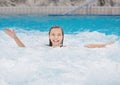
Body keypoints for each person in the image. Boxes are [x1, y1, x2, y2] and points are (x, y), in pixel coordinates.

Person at [4, 26, 113, 48]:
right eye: (53, 34)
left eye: (59, 35)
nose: (56, 37)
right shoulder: (44, 47)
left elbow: (87, 46)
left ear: (62, 37)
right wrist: (15, 38)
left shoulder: (67, 48)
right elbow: (24, 49)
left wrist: (105, 44)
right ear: (49, 36)